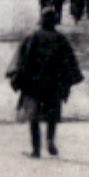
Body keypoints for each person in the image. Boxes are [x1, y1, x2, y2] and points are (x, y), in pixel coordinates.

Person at [7, 8, 84, 158]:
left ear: (41, 20)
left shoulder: (32, 38)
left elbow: (21, 60)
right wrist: (66, 83)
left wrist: (17, 79)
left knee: (33, 118)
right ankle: (50, 141)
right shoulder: (61, 40)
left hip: (34, 85)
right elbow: (70, 64)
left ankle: (36, 150)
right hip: (53, 84)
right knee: (52, 115)